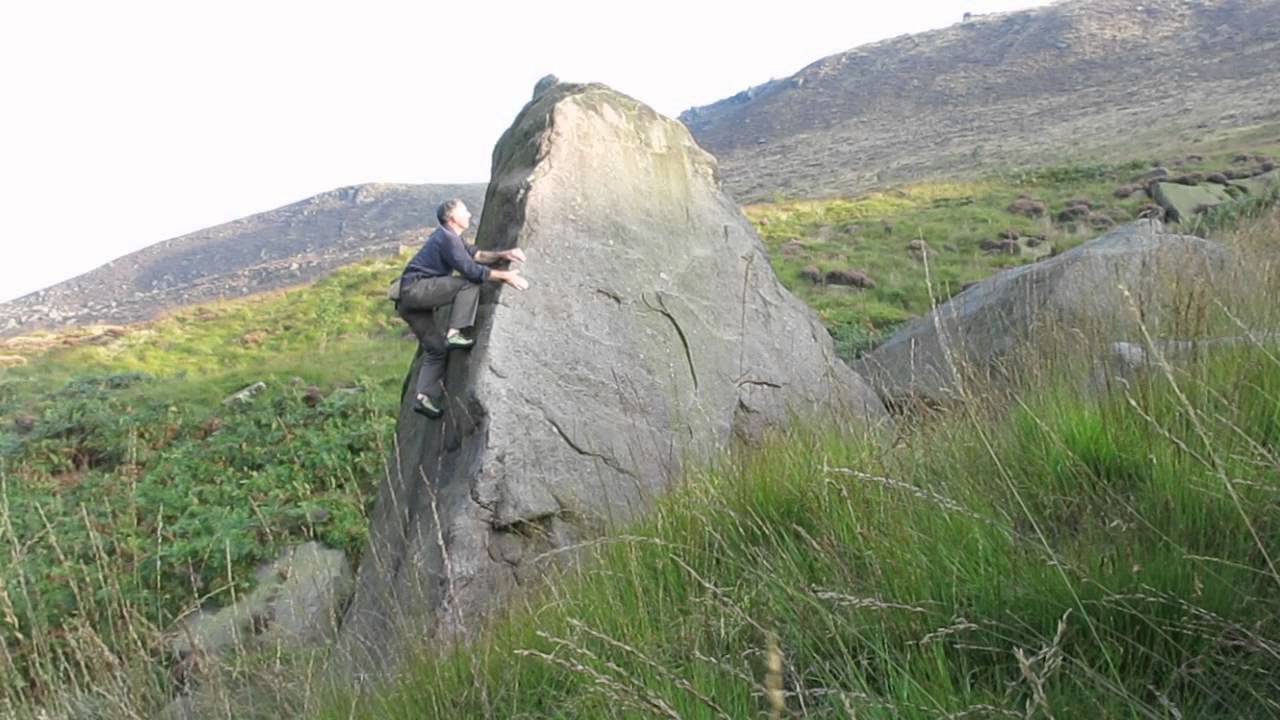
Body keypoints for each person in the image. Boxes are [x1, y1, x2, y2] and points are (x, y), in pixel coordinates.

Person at [395, 199, 528, 418]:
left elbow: (476, 255)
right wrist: (505, 276)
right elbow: (471, 270)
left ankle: (423, 397)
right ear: (452, 217)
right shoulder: (447, 238)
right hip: (416, 290)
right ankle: (455, 333)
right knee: (468, 283)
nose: (469, 214)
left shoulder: (451, 238)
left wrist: (504, 254)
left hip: (408, 302)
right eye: (464, 211)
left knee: (435, 349)